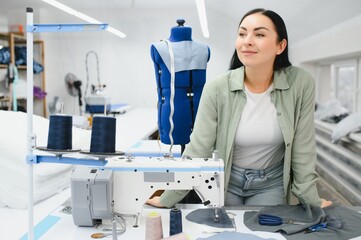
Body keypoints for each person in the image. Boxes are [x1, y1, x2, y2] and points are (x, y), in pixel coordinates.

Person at [147, 8, 332, 208]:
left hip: (271, 183)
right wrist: (168, 198)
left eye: (259, 34)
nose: (247, 41)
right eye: (242, 34)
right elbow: (199, 147)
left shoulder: (300, 83)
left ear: (280, 46)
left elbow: (303, 147)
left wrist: (311, 199)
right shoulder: (217, 88)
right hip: (226, 179)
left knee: (266, 233)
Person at [150, 19, 210, 149]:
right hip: (174, 111)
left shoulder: (204, 49)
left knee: (198, 149)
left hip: (199, 110)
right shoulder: (159, 48)